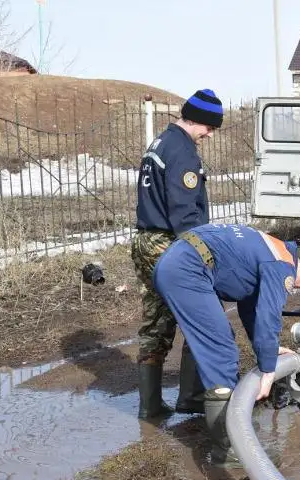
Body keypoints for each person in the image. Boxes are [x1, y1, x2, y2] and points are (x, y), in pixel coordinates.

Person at [152, 223, 300, 466]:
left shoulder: (274, 249)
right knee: (221, 350)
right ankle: (229, 450)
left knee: (211, 336)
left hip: (179, 259)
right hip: (188, 269)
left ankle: (195, 400)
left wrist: (268, 351)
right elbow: (269, 316)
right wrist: (268, 371)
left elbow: (251, 307)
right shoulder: (282, 266)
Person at [131, 88, 224, 420]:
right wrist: (204, 253)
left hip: (145, 240)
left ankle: (150, 405)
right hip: (170, 244)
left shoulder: (160, 142)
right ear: (197, 120)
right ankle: (193, 395)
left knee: (156, 321)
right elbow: (184, 214)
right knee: (202, 314)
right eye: (209, 128)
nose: (209, 135)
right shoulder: (183, 151)